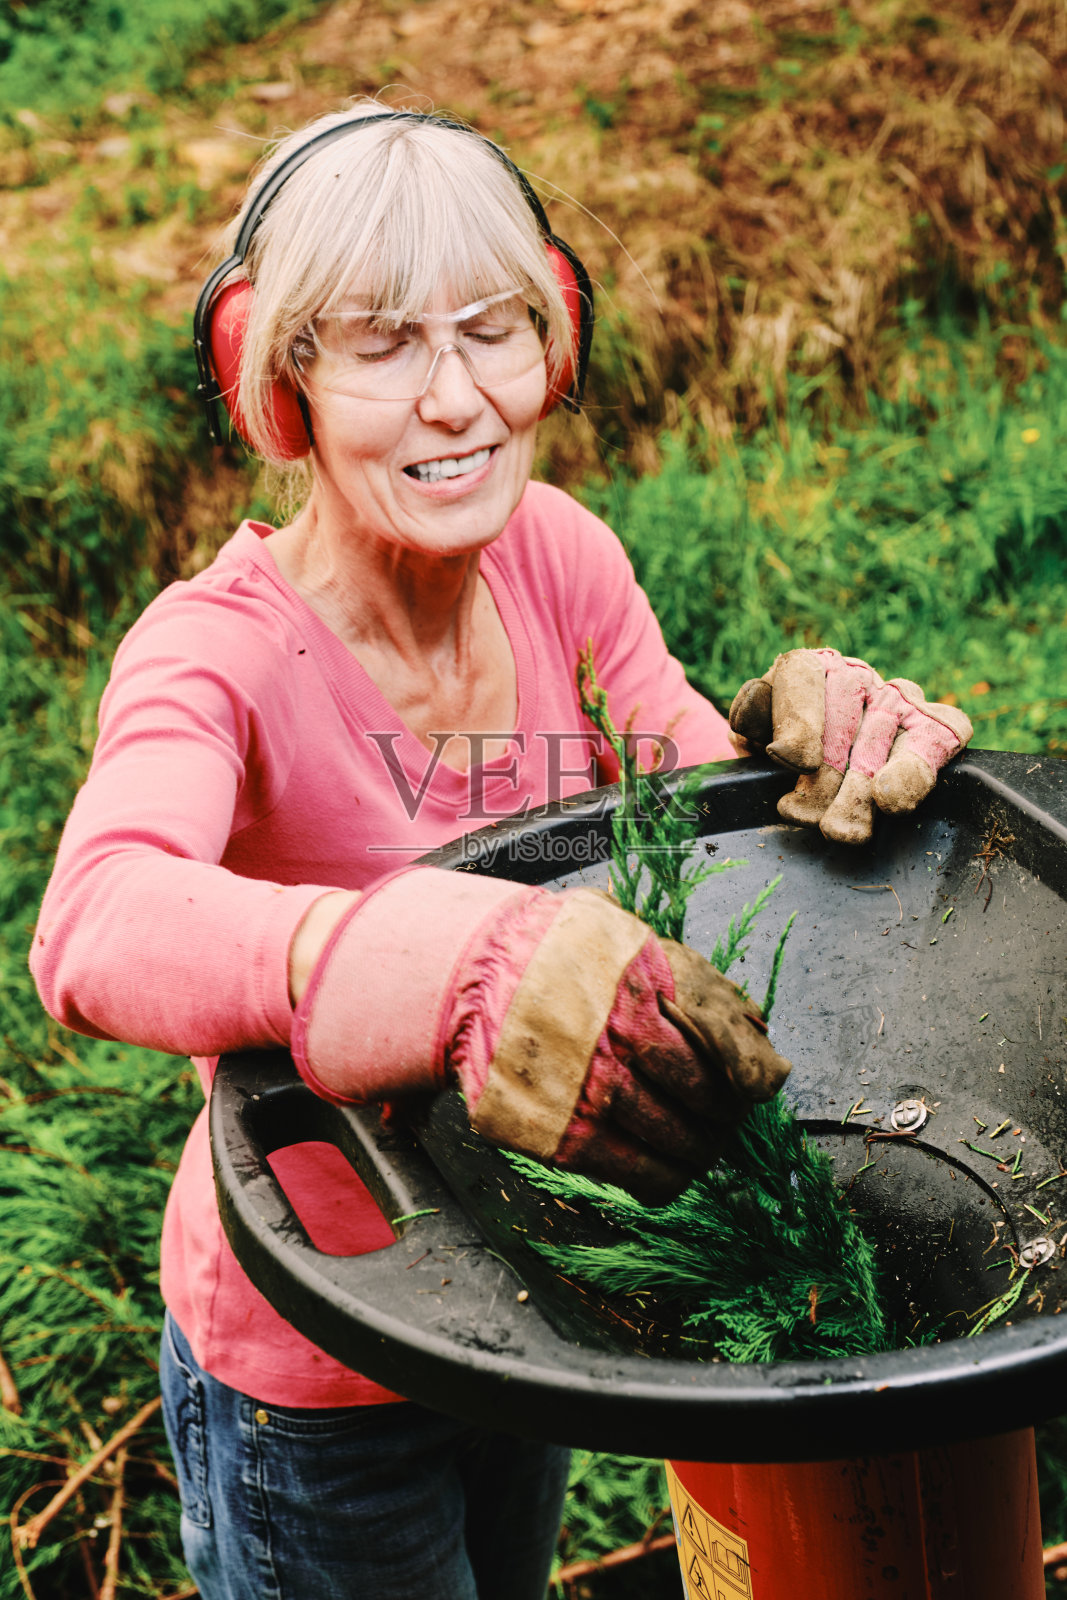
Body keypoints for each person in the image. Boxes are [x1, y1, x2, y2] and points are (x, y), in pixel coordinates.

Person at [30, 103, 972, 1600]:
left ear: (556, 336)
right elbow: (93, 923)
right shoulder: (216, 654)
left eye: (493, 328)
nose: (459, 398)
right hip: (319, 1354)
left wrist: (808, 742)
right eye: (383, 345)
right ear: (280, 380)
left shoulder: (558, 556)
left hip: (521, 1290)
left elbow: (688, 806)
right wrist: (433, 955)